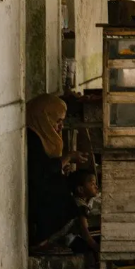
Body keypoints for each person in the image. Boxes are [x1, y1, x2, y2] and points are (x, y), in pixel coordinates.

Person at [27, 93, 88, 248]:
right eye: (57, 121)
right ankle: (42, 240)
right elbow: (40, 171)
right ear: (44, 118)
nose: (61, 127)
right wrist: (67, 158)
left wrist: (62, 166)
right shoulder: (31, 137)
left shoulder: (41, 135)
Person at [67, 169, 101, 257]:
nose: (96, 187)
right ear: (81, 189)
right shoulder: (80, 206)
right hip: (71, 240)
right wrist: (99, 249)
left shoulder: (76, 201)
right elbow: (86, 235)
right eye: (92, 184)